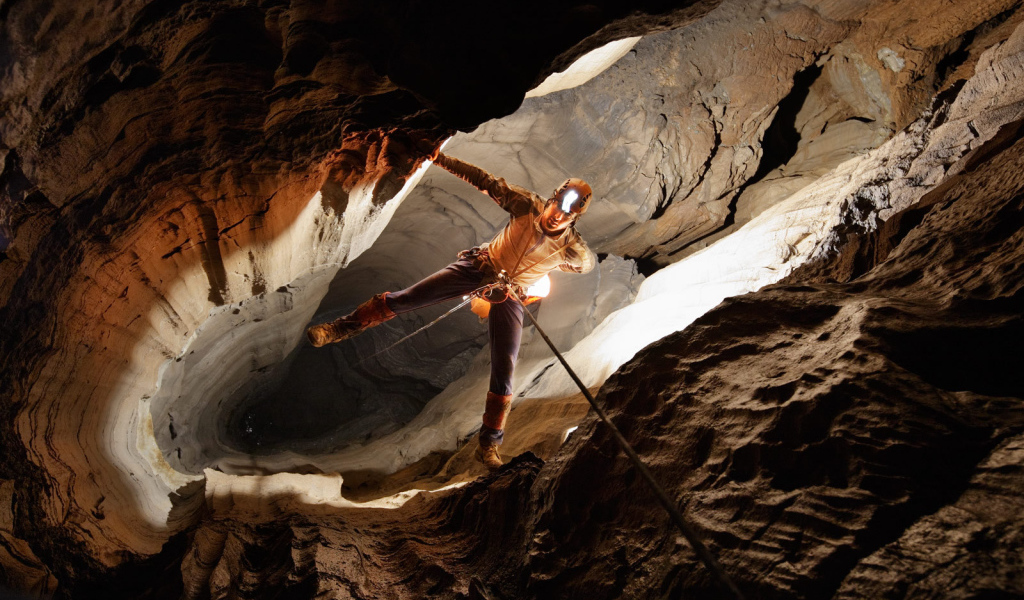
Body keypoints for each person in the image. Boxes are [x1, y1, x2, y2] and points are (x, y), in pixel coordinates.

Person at [307, 151, 596, 470]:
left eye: (568, 213)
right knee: (408, 298)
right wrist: (438, 158)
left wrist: (550, 270)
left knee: (505, 368)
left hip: (511, 294)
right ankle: (338, 329)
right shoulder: (526, 203)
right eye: (559, 205)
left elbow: (585, 264)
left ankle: (488, 444)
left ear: (574, 218)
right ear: (553, 199)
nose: (558, 215)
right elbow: (484, 181)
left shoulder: (572, 246)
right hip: (479, 266)